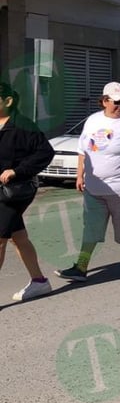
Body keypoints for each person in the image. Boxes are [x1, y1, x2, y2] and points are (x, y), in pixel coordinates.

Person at [56, 82, 120, 281]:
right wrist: (79, 175)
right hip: (94, 187)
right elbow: (83, 150)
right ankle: (81, 267)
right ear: (104, 101)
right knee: (91, 228)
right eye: (117, 102)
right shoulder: (93, 120)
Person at [0, 82, 55, 301]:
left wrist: (16, 170)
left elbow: (45, 152)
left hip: (15, 190)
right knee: (18, 237)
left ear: (8, 101)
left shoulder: (23, 125)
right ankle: (39, 281)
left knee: (0, 239)